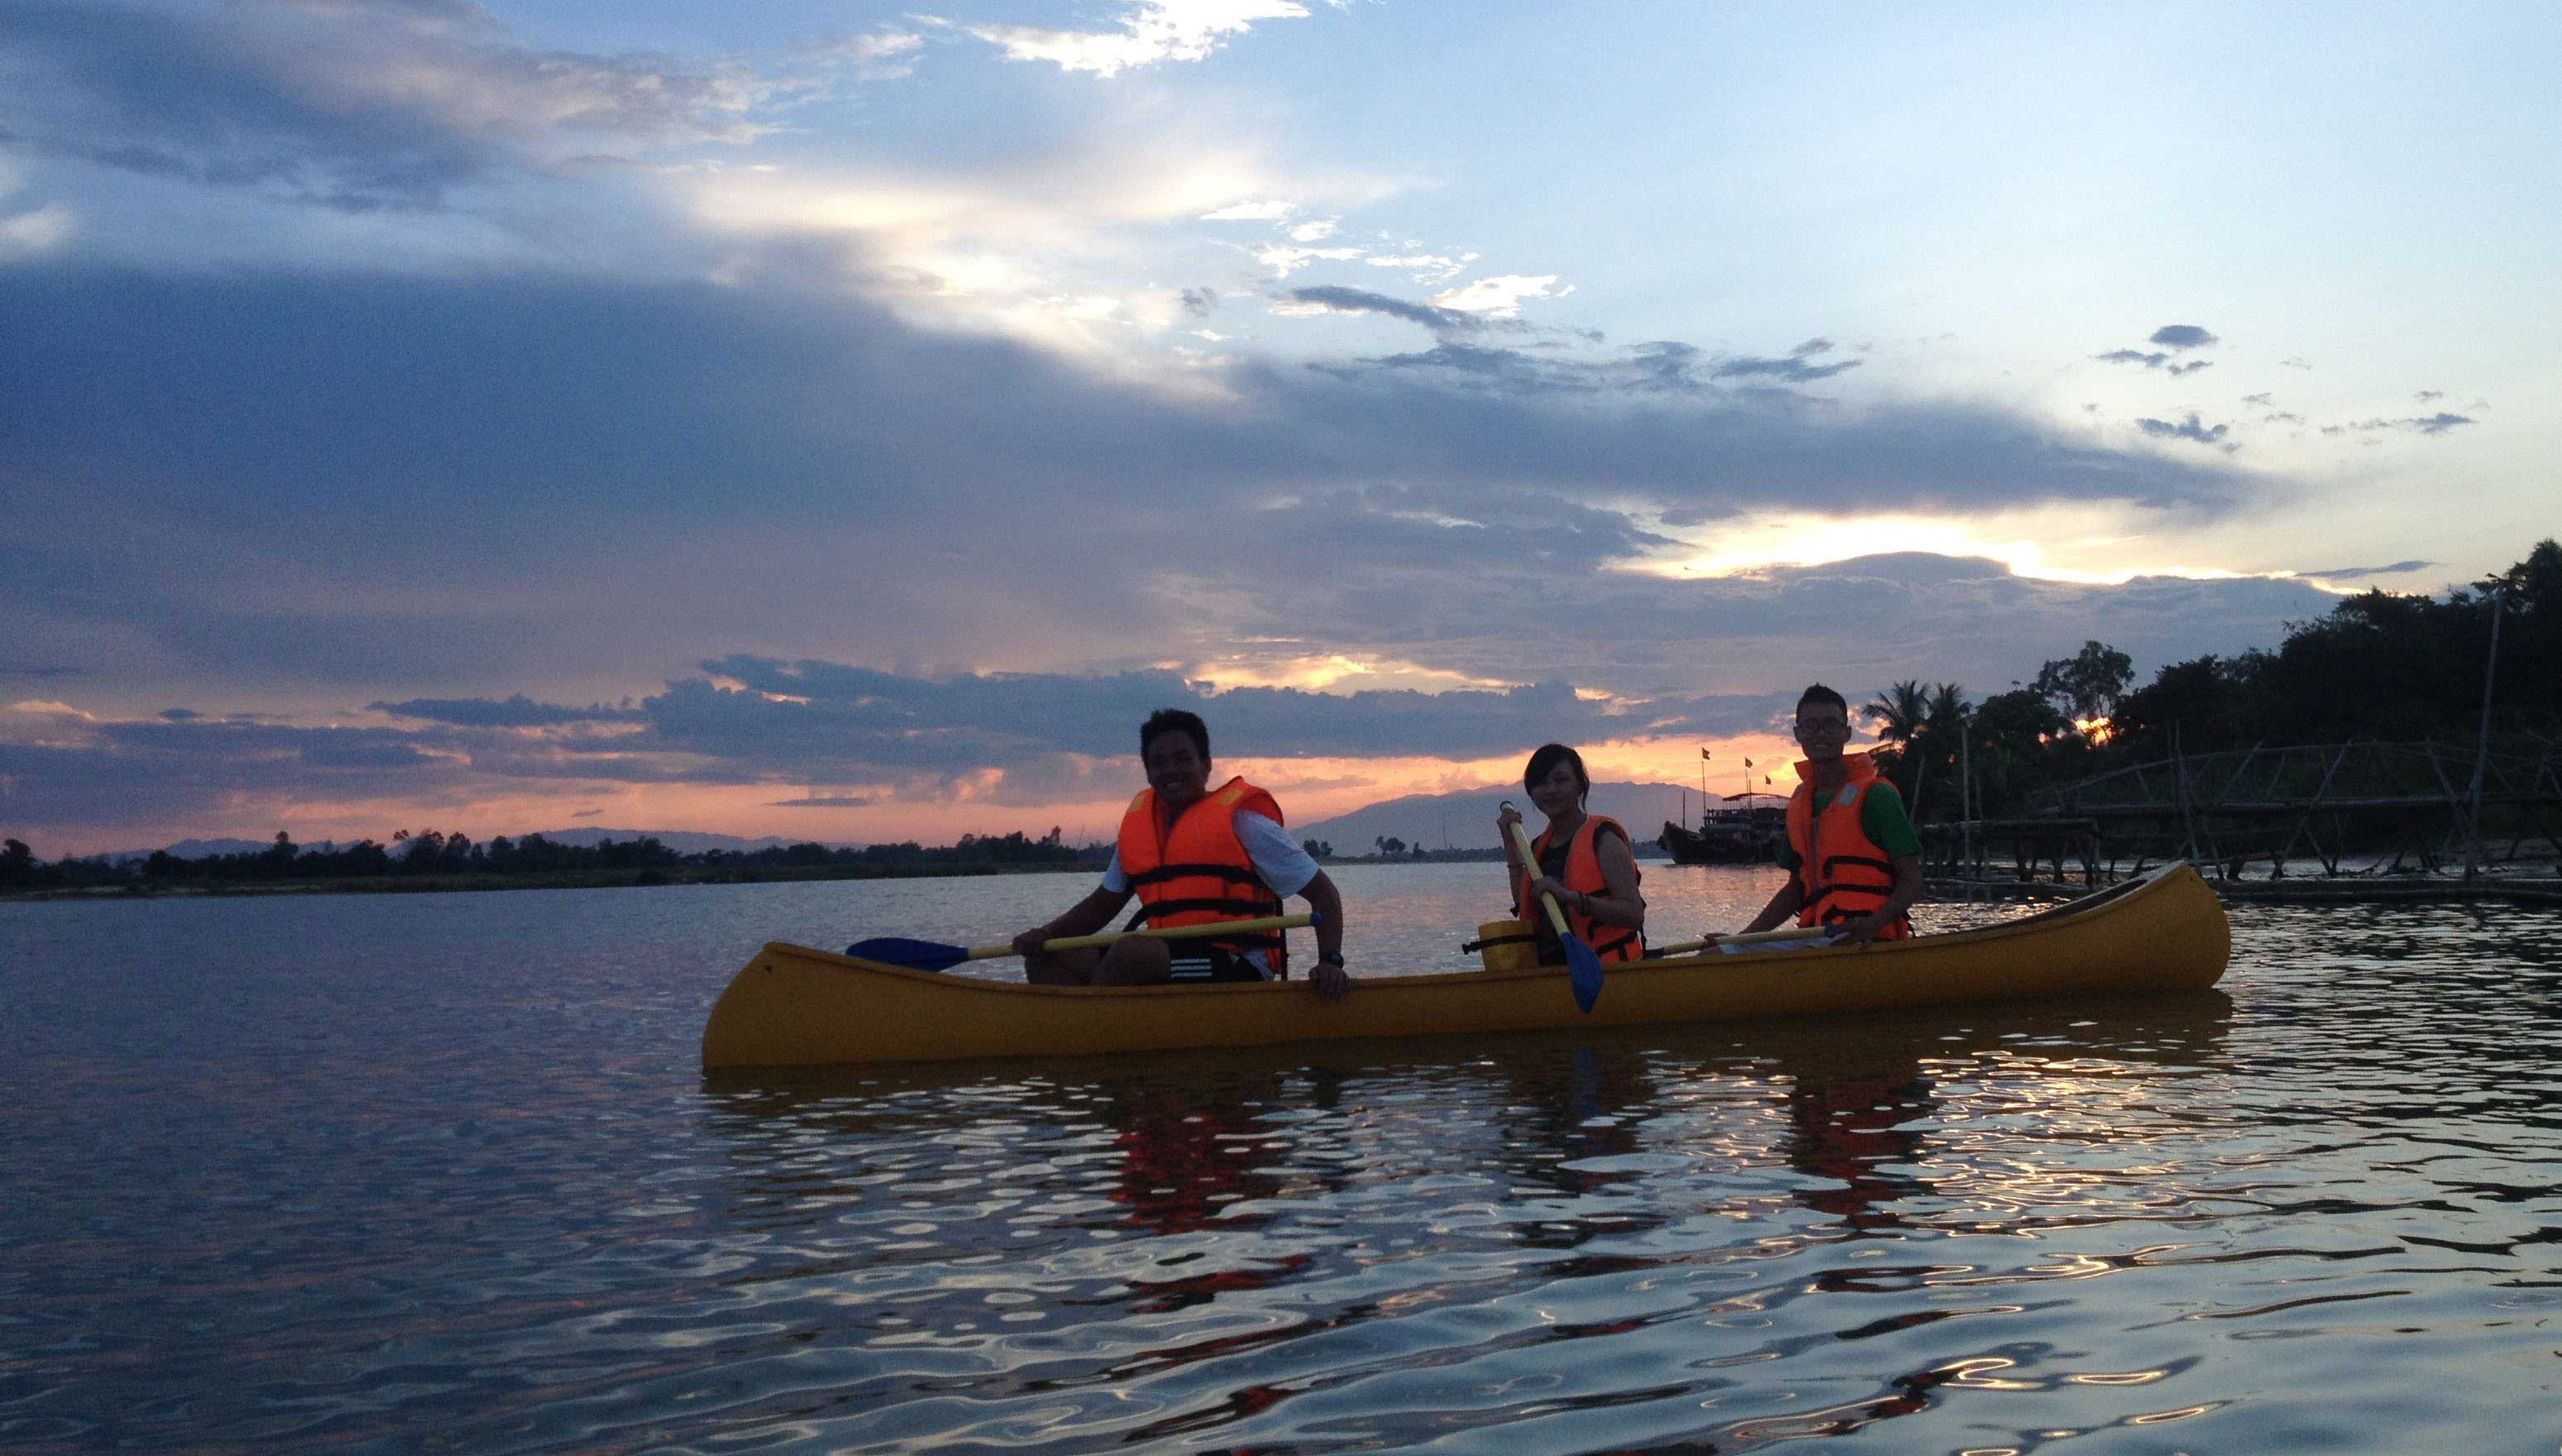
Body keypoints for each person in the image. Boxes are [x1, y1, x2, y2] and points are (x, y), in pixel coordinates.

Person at [1010, 709, 1351, 1000]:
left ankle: (1085, 1033)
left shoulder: (1246, 823)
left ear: (1206, 766)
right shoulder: (1139, 829)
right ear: (1147, 772)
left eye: (1182, 759)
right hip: (1164, 957)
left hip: (1239, 962)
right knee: (1050, 956)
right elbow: (1102, 905)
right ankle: (1082, 1030)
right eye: (1159, 763)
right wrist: (1045, 935)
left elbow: (1323, 894)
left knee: (1133, 952)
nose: (1170, 771)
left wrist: (1330, 961)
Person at [1721, 683, 1923, 946]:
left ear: (1846, 733)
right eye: (1811, 725)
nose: (1821, 734)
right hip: (1818, 936)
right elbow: (1795, 889)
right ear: (1798, 733)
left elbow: (1912, 879)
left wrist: (1873, 924)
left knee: (1720, 956)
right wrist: (1741, 940)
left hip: (1870, 937)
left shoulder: (1877, 796)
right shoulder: (1798, 804)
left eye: (1830, 725)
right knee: (1718, 953)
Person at [1495, 742, 1646, 964]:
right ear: (1531, 792)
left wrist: (1569, 897)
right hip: (1553, 973)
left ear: (1580, 786)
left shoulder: (1604, 839)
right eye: (1541, 782)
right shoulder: (1538, 847)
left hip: (1607, 971)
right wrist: (1510, 844)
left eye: (1561, 780)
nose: (1551, 790)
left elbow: (1634, 915)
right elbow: (1523, 901)